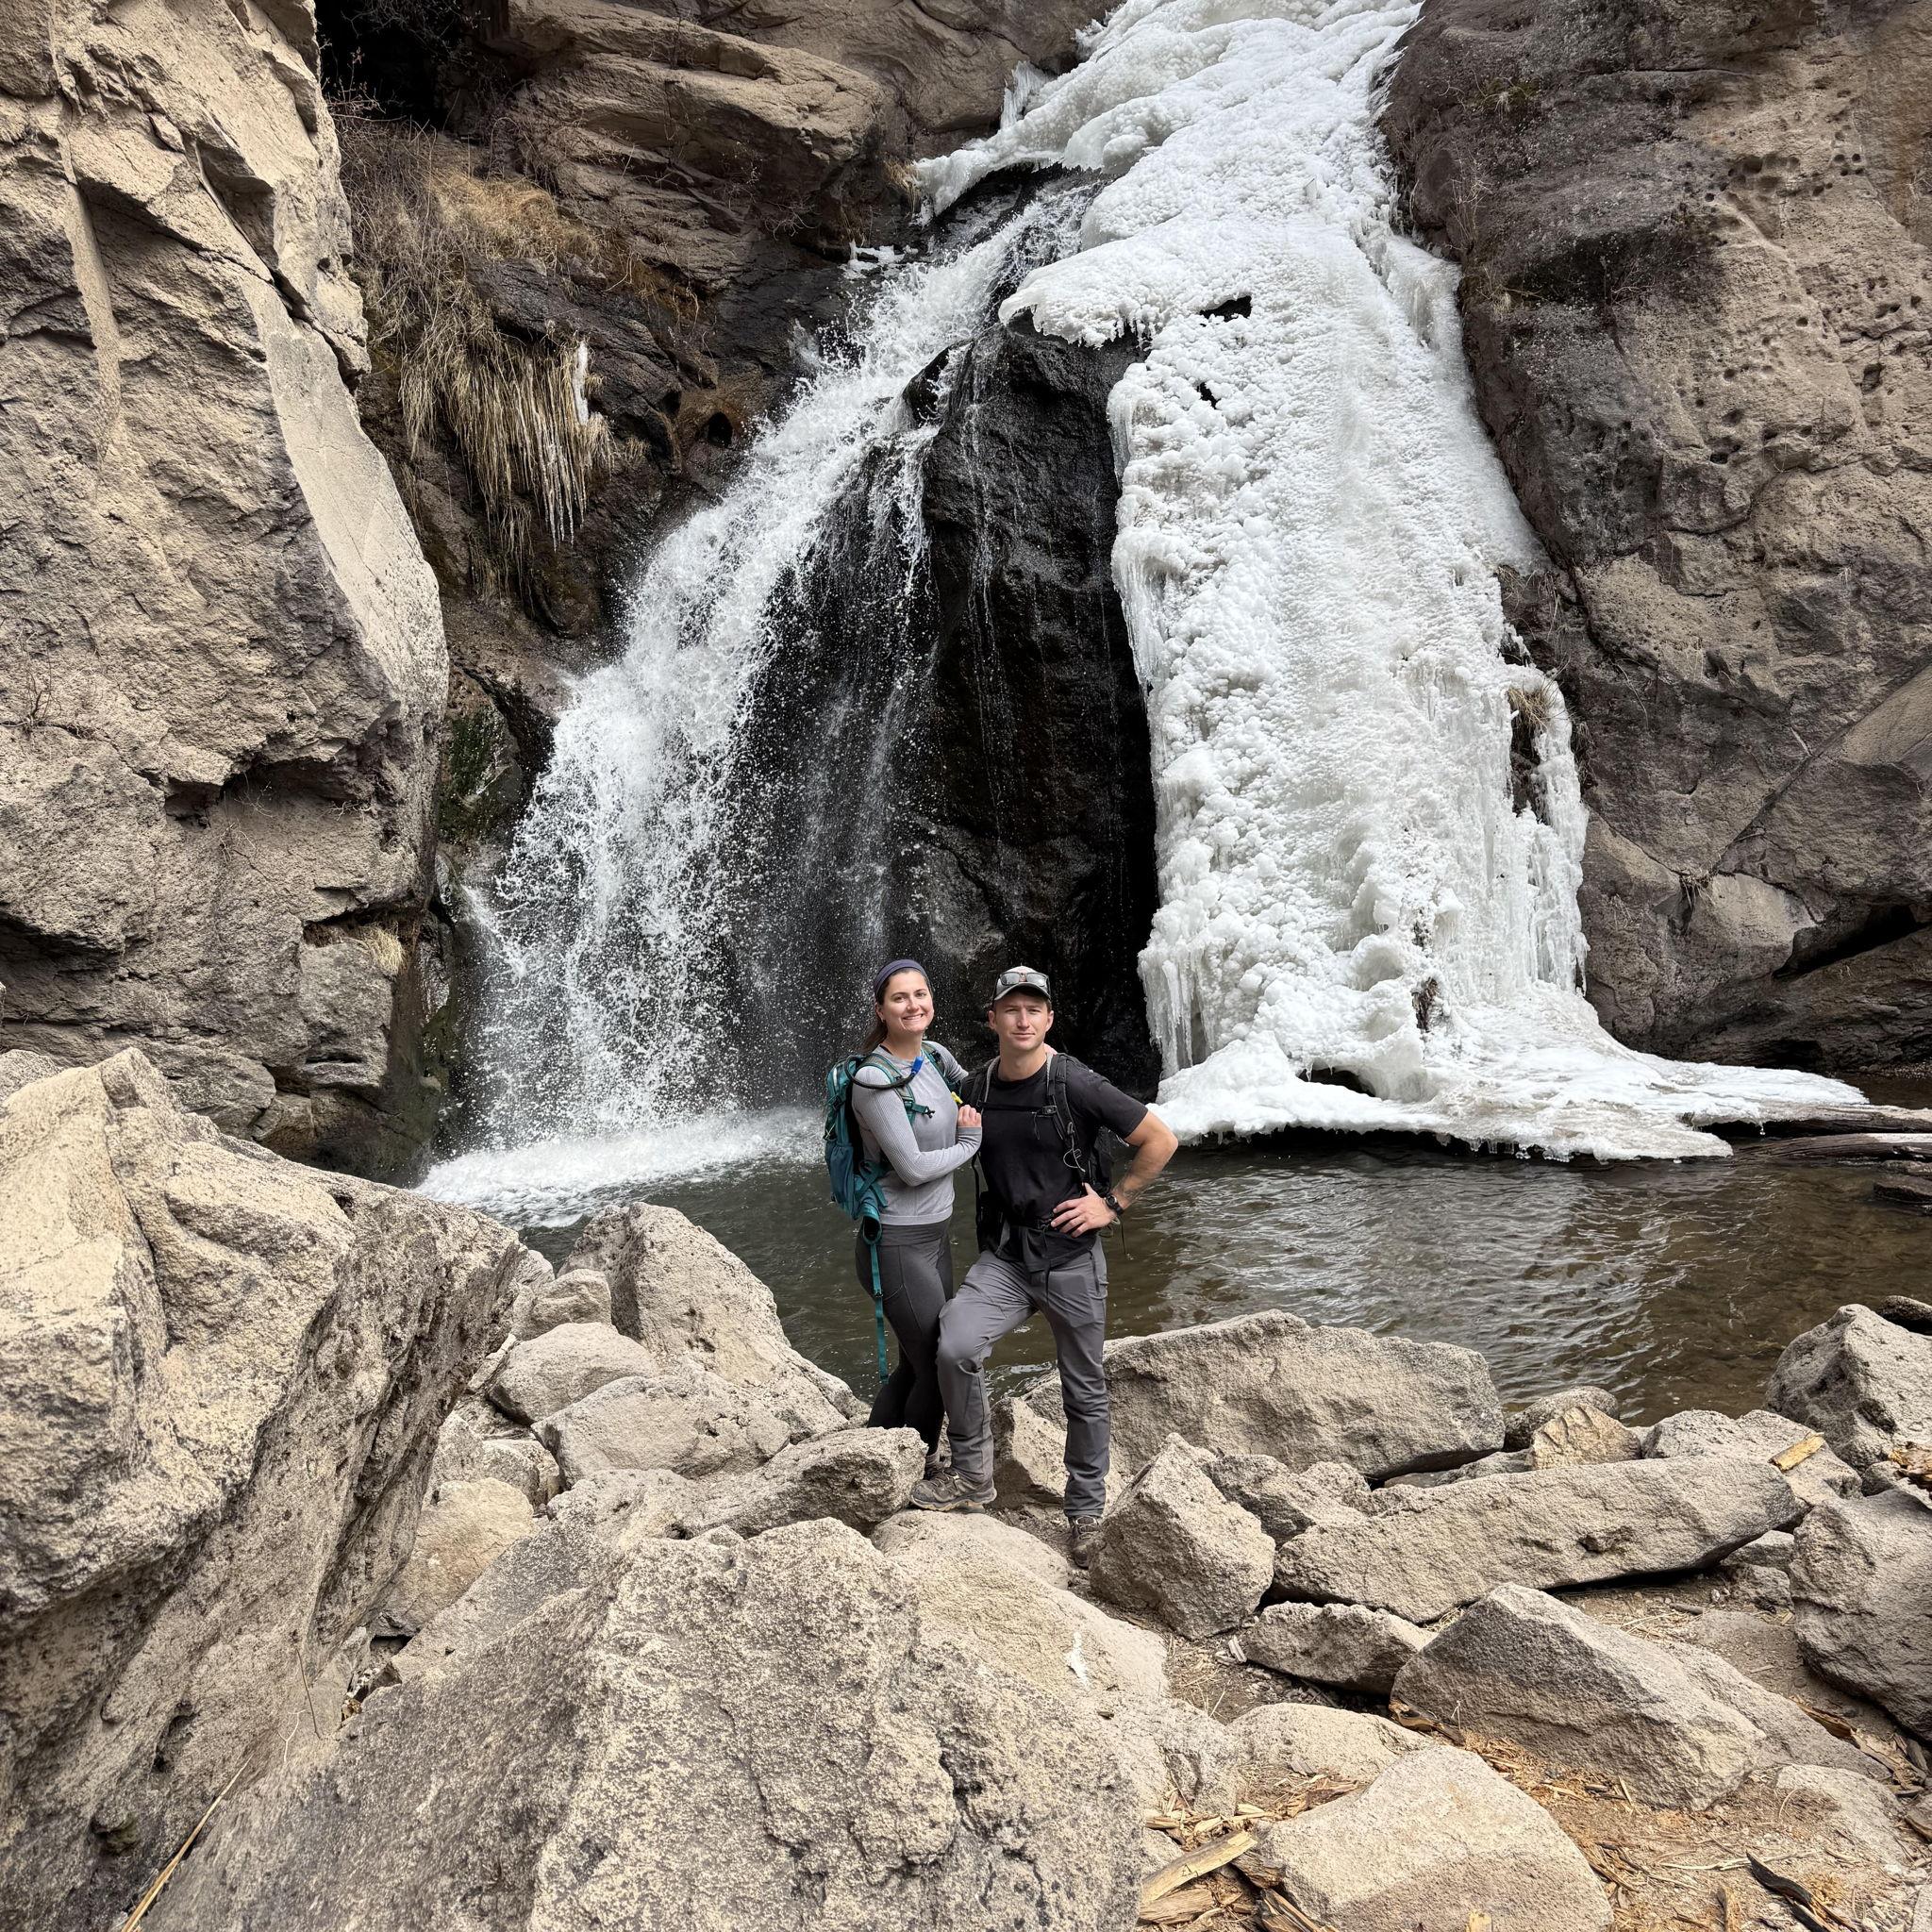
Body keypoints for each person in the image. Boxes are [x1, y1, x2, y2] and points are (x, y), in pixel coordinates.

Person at [909, 965, 1178, 1567]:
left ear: (1049, 1018)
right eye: (1012, 1009)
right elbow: (915, 1088)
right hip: (1007, 1256)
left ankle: (1085, 1511)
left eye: (1034, 1009)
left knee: (1083, 1386)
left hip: (1070, 1256)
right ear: (993, 1020)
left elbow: (1160, 1139)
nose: (1023, 1019)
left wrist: (1112, 1204)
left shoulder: (1075, 1084)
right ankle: (972, 1476)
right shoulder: (976, 1088)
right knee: (955, 1343)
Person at [847, 958, 983, 1471]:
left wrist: (1038, 1057)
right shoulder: (873, 1079)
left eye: (920, 994)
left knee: (915, 1360)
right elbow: (911, 1167)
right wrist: (970, 1142)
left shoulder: (933, 1055)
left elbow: (980, 1089)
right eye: (900, 998)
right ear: (881, 1010)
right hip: (897, 1243)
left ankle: (871, 1459)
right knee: (936, 1365)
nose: (913, 1005)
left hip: (933, 1236)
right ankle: (914, 1466)